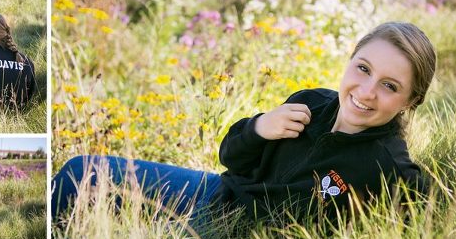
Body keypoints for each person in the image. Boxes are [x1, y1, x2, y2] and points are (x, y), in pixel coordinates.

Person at [51, 21, 436, 226]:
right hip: (216, 194)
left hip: (238, 237)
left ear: (411, 101)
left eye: (389, 86)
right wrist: (258, 128)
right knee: (81, 173)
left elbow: (428, 215)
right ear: (350, 60)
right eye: (363, 68)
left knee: (135, 235)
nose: (366, 91)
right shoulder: (310, 104)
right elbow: (231, 157)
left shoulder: (388, 164)